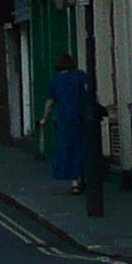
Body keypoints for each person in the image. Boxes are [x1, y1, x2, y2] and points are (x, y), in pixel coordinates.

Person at [43, 52, 100, 191]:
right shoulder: (79, 75)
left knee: (67, 148)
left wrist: (45, 118)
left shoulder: (54, 81)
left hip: (65, 119)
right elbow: (91, 91)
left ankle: (75, 182)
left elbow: (50, 102)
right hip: (82, 116)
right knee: (82, 147)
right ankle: (81, 176)